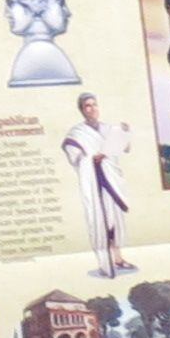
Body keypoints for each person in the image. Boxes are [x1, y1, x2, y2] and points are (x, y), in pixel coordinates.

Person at [60, 91, 135, 276]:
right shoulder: (77, 133)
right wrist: (93, 158)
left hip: (111, 180)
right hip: (95, 182)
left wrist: (125, 133)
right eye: (88, 106)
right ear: (81, 110)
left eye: (94, 105)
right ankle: (105, 262)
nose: (92, 109)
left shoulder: (108, 129)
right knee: (102, 222)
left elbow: (125, 148)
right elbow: (75, 158)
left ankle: (118, 259)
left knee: (114, 222)